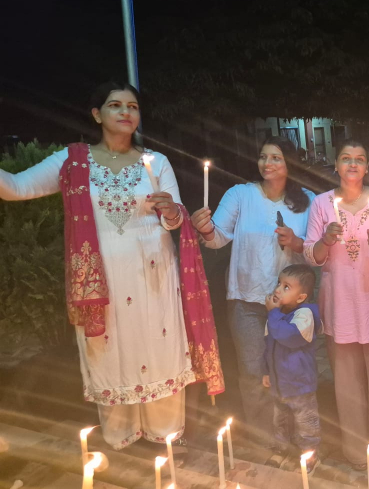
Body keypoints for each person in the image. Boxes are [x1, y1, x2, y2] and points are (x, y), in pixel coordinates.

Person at [0, 82, 223, 450]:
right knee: (110, 355)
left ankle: (166, 440)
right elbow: (16, 188)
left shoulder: (156, 162)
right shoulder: (73, 162)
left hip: (153, 278)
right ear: (96, 114)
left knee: (159, 352)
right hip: (101, 283)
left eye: (132, 106)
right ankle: (120, 442)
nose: (125, 112)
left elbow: (175, 220)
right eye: (115, 105)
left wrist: (172, 211)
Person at [191, 136, 314, 444]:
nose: (267, 163)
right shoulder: (241, 195)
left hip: (288, 305)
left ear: (290, 164)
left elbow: (315, 251)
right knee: (252, 371)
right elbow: (217, 237)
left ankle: (296, 431)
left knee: (288, 369)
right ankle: (266, 437)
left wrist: (295, 242)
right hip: (246, 298)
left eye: (276, 158)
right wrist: (205, 228)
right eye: (263, 157)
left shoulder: (308, 201)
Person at [303, 140, 369, 480]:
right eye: (346, 158)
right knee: (347, 383)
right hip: (340, 303)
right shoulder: (321, 203)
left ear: (367, 167)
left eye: (359, 159)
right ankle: (355, 451)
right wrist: (326, 240)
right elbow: (311, 255)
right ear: (336, 165)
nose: (352, 164)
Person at [262, 264, 323, 469]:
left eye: (286, 287)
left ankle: (310, 455)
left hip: (300, 384)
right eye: (279, 283)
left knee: (306, 422)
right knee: (280, 420)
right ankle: (282, 449)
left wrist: (273, 314)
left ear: (301, 297)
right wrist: (266, 371)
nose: (278, 289)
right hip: (279, 383)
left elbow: (288, 336)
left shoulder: (305, 314)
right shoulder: (276, 315)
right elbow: (268, 345)